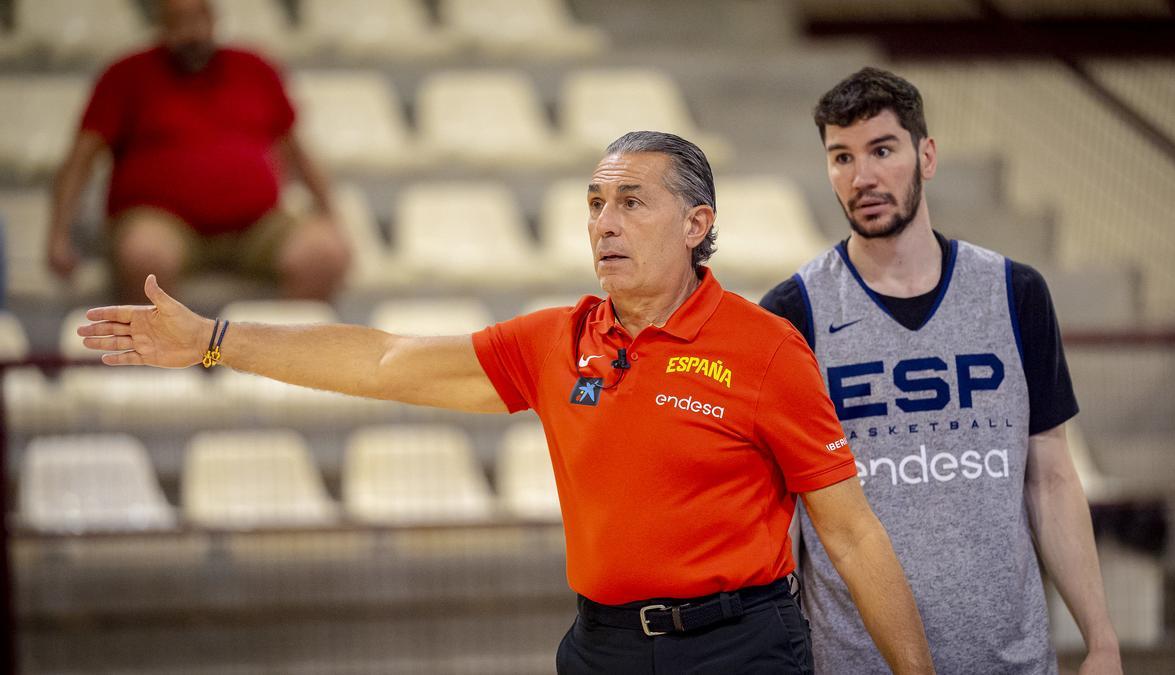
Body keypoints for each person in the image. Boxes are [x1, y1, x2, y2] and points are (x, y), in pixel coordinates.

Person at [80, 130, 935, 674]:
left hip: (738, 648)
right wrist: (215, 339)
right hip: (599, 647)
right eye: (595, 203)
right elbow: (382, 358)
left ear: (696, 224)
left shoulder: (766, 351)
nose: (604, 221)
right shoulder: (554, 341)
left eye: (631, 201)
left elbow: (852, 532)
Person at [760, 67, 1122, 674]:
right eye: (841, 157)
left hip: (1011, 660)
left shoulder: (1014, 292)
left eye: (882, 150)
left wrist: (1102, 641)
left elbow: (1052, 479)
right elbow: (783, 510)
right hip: (859, 662)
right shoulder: (794, 312)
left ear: (926, 156)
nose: (863, 177)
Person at [47, 0, 350, 303]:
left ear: (214, 19)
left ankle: (281, 350)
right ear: (161, 24)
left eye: (198, 18)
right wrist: (58, 235)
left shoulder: (256, 69)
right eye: (178, 21)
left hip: (256, 225)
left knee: (324, 253)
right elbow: (80, 159)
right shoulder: (125, 75)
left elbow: (298, 151)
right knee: (144, 255)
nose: (191, 32)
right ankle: (163, 350)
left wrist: (331, 217)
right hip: (161, 221)